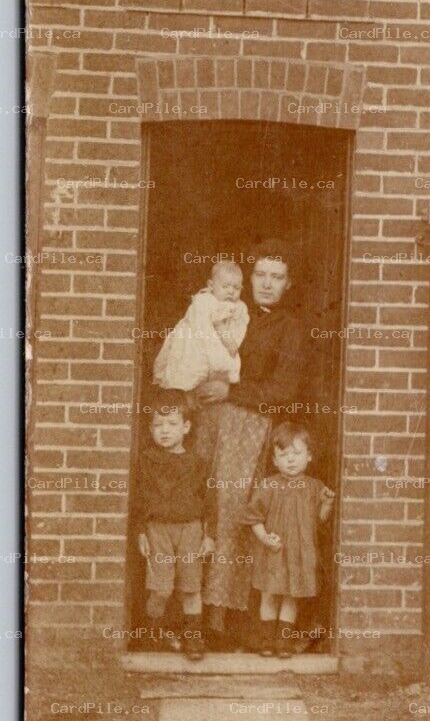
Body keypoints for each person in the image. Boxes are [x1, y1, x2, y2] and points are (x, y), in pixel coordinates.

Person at [196, 242, 312, 645]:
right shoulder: (231, 313)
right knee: (202, 507)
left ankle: (226, 622)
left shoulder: (291, 328)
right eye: (260, 275)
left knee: (237, 515)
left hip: (249, 429)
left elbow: (284, 390)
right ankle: (188, 616)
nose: (266, 283)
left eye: (276, 277)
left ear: (288, 284)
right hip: (210, 424)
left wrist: (230, 391)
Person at [135, 387, 213, 662]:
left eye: (172, 424)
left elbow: (209, 500)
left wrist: (209, 535)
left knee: (191, 586)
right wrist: (141, 532)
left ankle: (193, 637)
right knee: (161, 588)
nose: (165, 431)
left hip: (191, 528)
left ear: (186, 427)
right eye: (158, 425)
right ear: (150, 428)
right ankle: (153, 633)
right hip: (158, 530)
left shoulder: (198, 463)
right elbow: (139, 500)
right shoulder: (146, 461)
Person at [244, 422, 334, 658]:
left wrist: (326, 504)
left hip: (299, 553)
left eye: (297, 453)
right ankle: (266, 640)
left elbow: (319, 521)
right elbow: (254, 518)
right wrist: (264, 537)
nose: (291, 460)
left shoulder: (314, 487)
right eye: (283, 455)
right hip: (273, 550)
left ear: (309, 456)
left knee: (291, 595)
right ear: (275, 461)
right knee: (269, 594)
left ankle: (283, 642)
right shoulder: (268, 485)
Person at [153, 258, 249, 394]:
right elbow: (201, 328)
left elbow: (238, 332)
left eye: (236, 288)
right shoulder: (204, 302)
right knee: (190, 370)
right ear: (211, 285)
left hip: (220, 347)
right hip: (196, 346)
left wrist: (230, 339)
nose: (231, 291)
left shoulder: (238, 307)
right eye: (226, 286)